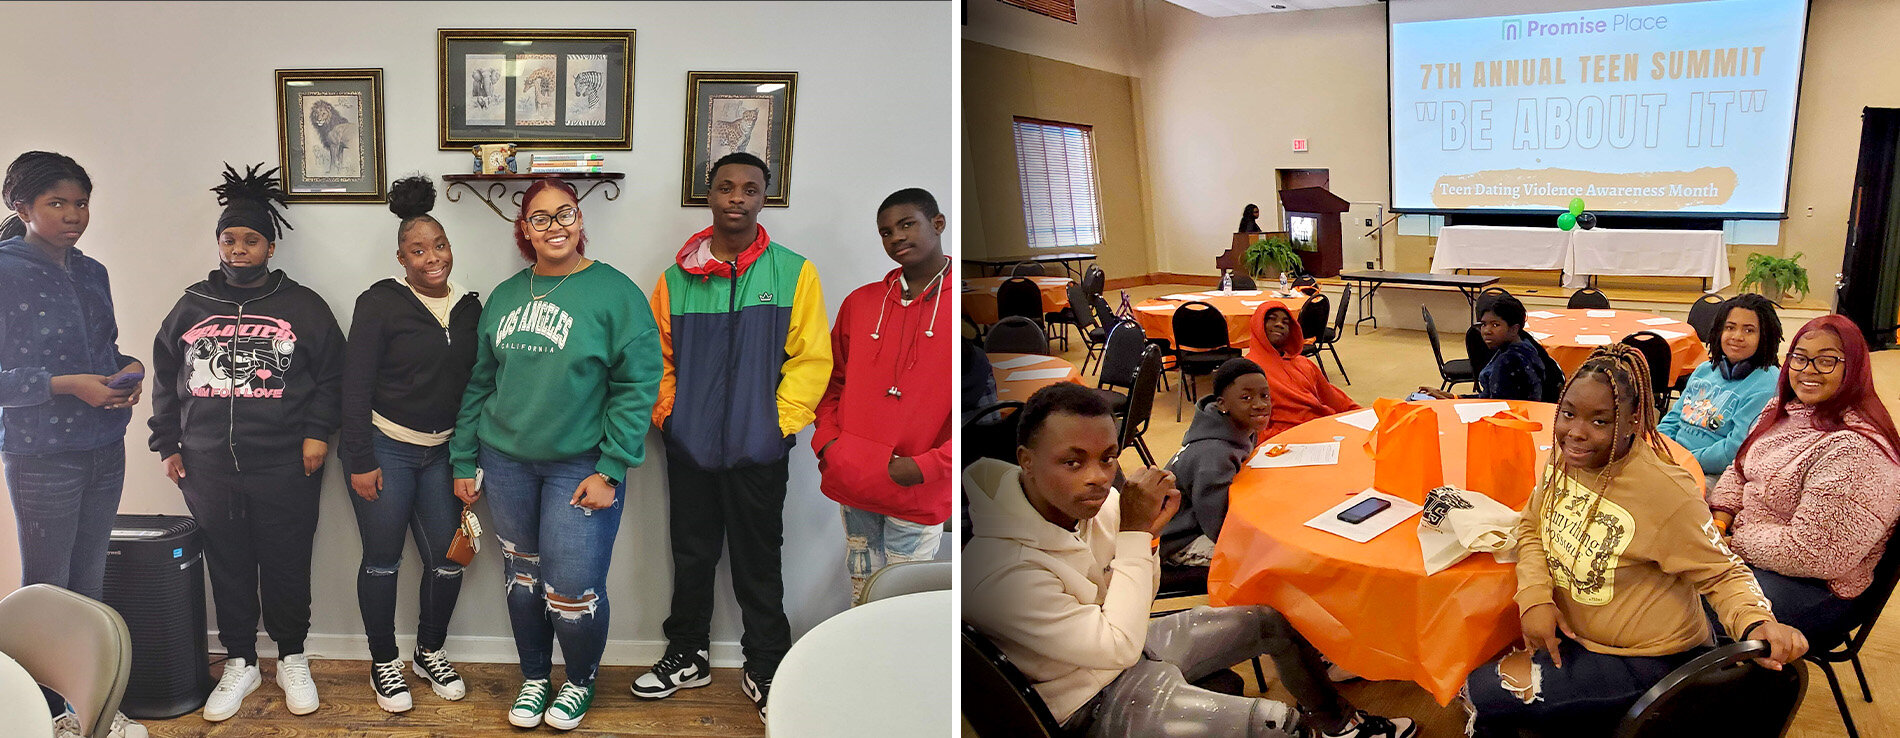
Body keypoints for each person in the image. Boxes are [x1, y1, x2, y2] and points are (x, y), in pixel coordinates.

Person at [964, 382, 1415, 738]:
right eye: (1072, 463)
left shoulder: (1082, 505)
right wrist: (1136, 535)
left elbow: (1137, 601)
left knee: (1270, 618)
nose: (1100, 478)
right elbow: (1117, 644)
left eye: (1107, 458)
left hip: (1123, 647)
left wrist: (1149, 541)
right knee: (1274, 722)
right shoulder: (1001, 572)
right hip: (1086, 701)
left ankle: (1338, 723)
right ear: (1025, 460)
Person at [1462, 344, 1807, 737]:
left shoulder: (1666, 492)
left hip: (1647, 658)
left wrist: (1757, 622)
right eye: (1569, 412)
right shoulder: (1566, 458)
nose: (1576, 431)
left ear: (1631, 421)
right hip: (1579, 634)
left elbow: (1722, 572)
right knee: (1478, 671)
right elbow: (1530, 528)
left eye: (1600, 421)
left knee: (1481, 693)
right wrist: (1536, 596)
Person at [448, 178, 660, 730]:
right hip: (505, 460)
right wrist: (464, 458)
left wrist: (612, 467)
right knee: (523, 580)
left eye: (564, 213)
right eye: (539, 218)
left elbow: (638, 385)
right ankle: (536, 677)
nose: (554, 226)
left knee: (571, 588)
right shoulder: (505, 294)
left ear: (580, 221)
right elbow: (481, 382)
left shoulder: (616, 293)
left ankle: (580, 681)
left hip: (580, 465)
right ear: (525, 230)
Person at [633, 152, 832, 722]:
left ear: (763, 197)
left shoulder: (794, 272)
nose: (737, 197)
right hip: (689, 449)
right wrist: (672, 419)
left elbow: (812, 360)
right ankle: (686, 654)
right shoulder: (675, 279)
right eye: (726, 187)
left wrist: (776, 426)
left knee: (758, 561)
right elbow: (654, 361)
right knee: (691, 555)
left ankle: (768, 665)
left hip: (760, 452)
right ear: (710, 196)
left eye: (749, 188)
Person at [148, 163, 344, 722]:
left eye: (250, 240)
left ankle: (291, 656)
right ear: (218, 244)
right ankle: (240, 659)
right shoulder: (190, 305)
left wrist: (315, 434)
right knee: (228, 563)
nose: (238, 249)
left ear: (271, 246)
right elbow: (166, 379)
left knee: (286, 562)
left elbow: (333, 375)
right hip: (207, 464)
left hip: (287, 462)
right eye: (229, 239)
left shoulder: (303, 304)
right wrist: (168, 444)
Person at [0, 152, 147, 738]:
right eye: (57, 204)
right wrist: (65, 386)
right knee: (46, 590)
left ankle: (89, 712)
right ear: (22, 208)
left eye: (80, 203)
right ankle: (41, 715)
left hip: (105, 446)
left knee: (89, 585)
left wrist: (124, 370)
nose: (73, 216)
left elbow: (100, 353)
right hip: (41, 455)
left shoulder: (93, 272)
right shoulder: (4, 272)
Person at [340, 175, 480, 713]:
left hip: (444, 453)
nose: (431, 258)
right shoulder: (379, 303)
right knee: (382, 561)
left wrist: (473, 459)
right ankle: (383, 662)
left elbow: (477, 390)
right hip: (386, 449)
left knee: (449, 559)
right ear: (401, 258)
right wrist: (359, 458)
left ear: (450, 247)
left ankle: (429, 650)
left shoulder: (471, 309)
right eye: (417, 250)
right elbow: (354, 384)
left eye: (438, 245)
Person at [1709, 314, 1900, 645]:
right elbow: (1739, 470)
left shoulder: (1856, 449)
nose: (1809, 370)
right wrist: (1720, 522)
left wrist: (1734, 541)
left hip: (1816, 588)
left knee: (1683, 608)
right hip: (1757, 556)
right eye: (1800, 358)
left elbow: (1815, 554)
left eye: (1827, 361)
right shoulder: (1783, 411)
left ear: (1853, 367)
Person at [812, 188, 952, 602]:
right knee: (862, 590)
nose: (896, 238)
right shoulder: (861, 302)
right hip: (855, 480)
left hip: (919, 486)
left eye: (907, 224)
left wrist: (927, 465)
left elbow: (976, 413)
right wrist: (829, 444)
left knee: (904, 600)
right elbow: (830, 381)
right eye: (885, 232)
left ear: (938, 224)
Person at [1159, 358, 1270, 567]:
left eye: (1265, 395)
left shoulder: (1240, 427)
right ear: (1222, 403)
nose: (1260, 404)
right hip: (1183, 538)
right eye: (1246, 398)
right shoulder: (1213, 456)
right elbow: (1220, 527)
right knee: (1265, 559)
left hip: (1204, 517)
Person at [1657, 294, 1782, 476]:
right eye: (1730, 328)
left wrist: (1681, 461)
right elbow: (1673, 418)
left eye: (1749, 330)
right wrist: (1658, 447)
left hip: (1713, 473)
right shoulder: (1704, 369)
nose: (1737, 336)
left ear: (1765, 337)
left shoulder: (1767, 384)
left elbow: (1733, 451)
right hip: (1673, 460)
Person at [1244, 303, 1359, 439]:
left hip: (1323, 427)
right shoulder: (1247, 371)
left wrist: (1361, 415)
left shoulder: (1304, 363)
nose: (1279, 324)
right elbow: (1253, 428)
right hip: (1287, 439)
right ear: (1258, 325)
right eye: (1272, 319)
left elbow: (1333, 397)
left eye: (1285, 322)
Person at [1416, 294, 1548, 403]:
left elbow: (1495, 408)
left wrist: (1452, 401)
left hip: (1505, 424)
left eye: (1495, 325)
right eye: (1484, 324)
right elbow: (1490, 398)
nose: (1486, 331)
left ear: (1514, 329)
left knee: (1414, 402)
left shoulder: (1509, 362)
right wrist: (1452, 396)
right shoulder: (1524, 344)